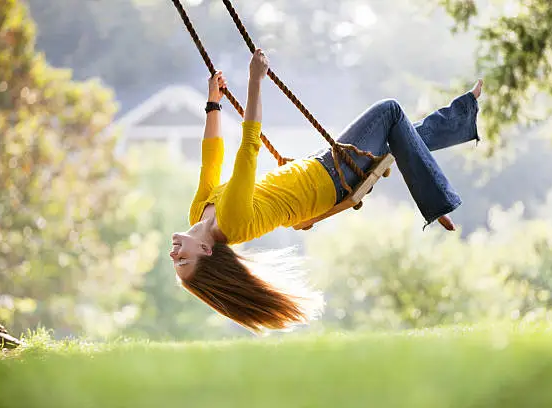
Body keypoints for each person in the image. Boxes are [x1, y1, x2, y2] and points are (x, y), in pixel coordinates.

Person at [170, 49, 483, 333]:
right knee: (389, 111)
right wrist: (255, 80)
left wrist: (213, 101)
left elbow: (211, 158)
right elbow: (248, 148)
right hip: (332, 178)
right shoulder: (232, 222)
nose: (174, 254)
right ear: (206, 251)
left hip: (316, 168)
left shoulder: (198, 212)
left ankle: (463, 118)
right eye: (183, 261)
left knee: (396, 138)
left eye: (175, 261)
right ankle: (437, 197)